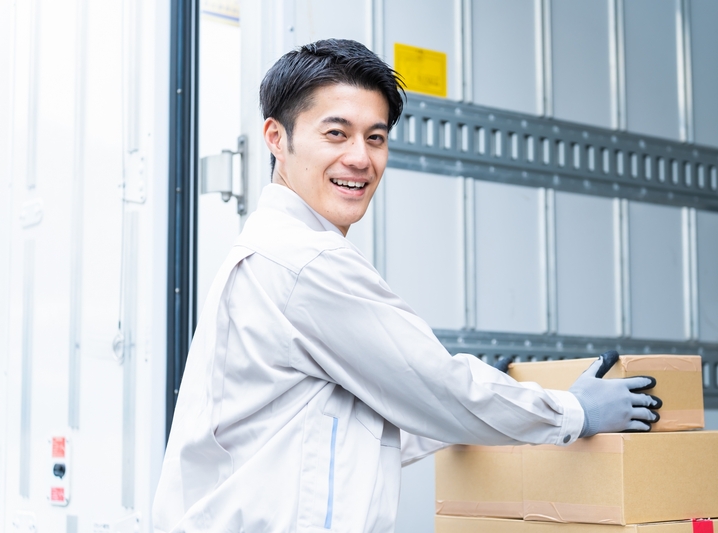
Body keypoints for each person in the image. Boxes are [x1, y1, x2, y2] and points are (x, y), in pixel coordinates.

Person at [152, 38, 661, 532]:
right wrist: (572, 412)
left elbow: (351, 429)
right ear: (276, 138)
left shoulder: (272, 253)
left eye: (375, 137)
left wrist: (491, 404)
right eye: (336, 133)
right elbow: (438, 386)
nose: (360, 158)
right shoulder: (306, 261)